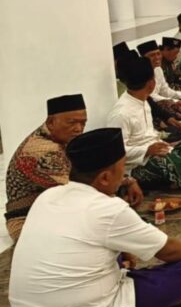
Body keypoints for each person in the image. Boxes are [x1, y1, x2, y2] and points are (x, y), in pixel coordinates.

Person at [9, 128, 181, 307]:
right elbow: (169, 250)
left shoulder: (47, 197)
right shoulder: (109, 208)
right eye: (122, 168)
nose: (125, 175)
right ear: (105, 177)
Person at [5, 95, 130, 241]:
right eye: (71, 123)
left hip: (54, 210)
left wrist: (128, 181)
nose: (78, 129)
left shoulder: (59, 139)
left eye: (83, 123)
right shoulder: (44, 151)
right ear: (51, 122)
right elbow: (82, 190)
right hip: (27, 221)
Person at [108, 56, 181, 189]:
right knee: (168, 165)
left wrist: (163, 141)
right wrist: (146, 150)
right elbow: (117, 152)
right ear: (151, 83)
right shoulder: (121, 112)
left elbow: (149, 134)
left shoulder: (143, 101)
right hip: (139, 165)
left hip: (161, 152)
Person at [136, 40, 181, 116]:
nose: (157, 57)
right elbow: (151, 97)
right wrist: (175, 101)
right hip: (150, 106)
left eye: (158, 54)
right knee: (176, 107)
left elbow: (165, 90)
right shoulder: (141, 74)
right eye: (152, 55)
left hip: (163, 100)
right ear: (143, 58)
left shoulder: (158, 69)